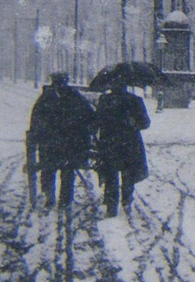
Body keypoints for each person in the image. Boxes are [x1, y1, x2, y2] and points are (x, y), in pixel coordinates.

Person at [26, 72, 95, 208]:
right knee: (67, 171)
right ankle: (65, 200)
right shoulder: (75, 96)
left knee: (48, 169)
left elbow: (35, 120)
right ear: (66, 81)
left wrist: (36, 136)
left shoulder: (45, 98)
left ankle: (49, 197)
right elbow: (89, 116)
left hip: (49, 142)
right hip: (69, 142)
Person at [93, 82, 151, 217]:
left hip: (109, 143)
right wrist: (133, 123)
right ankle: (127, 201)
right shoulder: (135, 100)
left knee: (110, 174)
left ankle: (111, 206)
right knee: (128, 174)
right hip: (129, 144)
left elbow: (96, 121)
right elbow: (145, 123)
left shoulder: (105, 100)